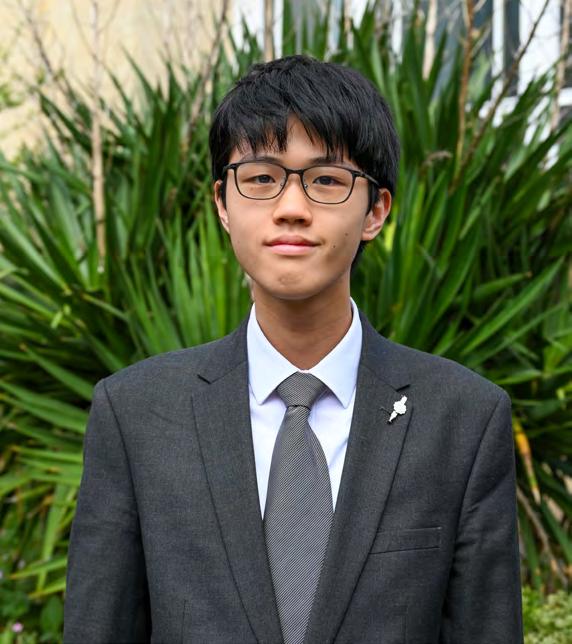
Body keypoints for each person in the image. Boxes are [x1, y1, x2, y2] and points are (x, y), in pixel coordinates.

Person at [64, 55, 523, 643]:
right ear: (222, 204)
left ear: (376, 211)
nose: (291, 208)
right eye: (261, 178)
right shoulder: (137, 415)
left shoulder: (463, 419)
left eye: (326, 180)